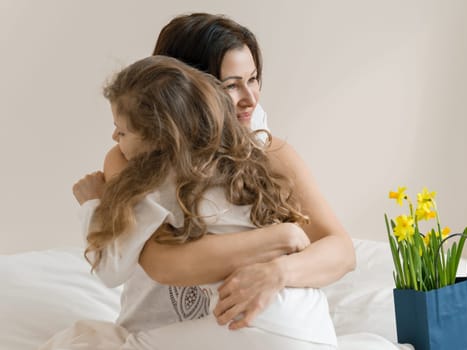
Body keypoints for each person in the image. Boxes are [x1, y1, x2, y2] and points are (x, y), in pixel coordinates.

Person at [42, 55, 337, 349]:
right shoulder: (241, 163)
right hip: (313, 323)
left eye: (123, 131)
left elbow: (111, 269)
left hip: (258, 325)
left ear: (158, 135)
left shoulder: (155, 181)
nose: (114, 137)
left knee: (85, 341)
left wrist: (93, 204)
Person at [100, 12, 356, 330]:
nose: (250, 99)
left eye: (253, 79)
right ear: (183, 91)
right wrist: (281, 238)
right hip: (157, 334)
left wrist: (278, 272)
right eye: (232, 86)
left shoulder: (271, 154)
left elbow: (341, 251)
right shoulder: (130, 157)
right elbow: (160, 262)